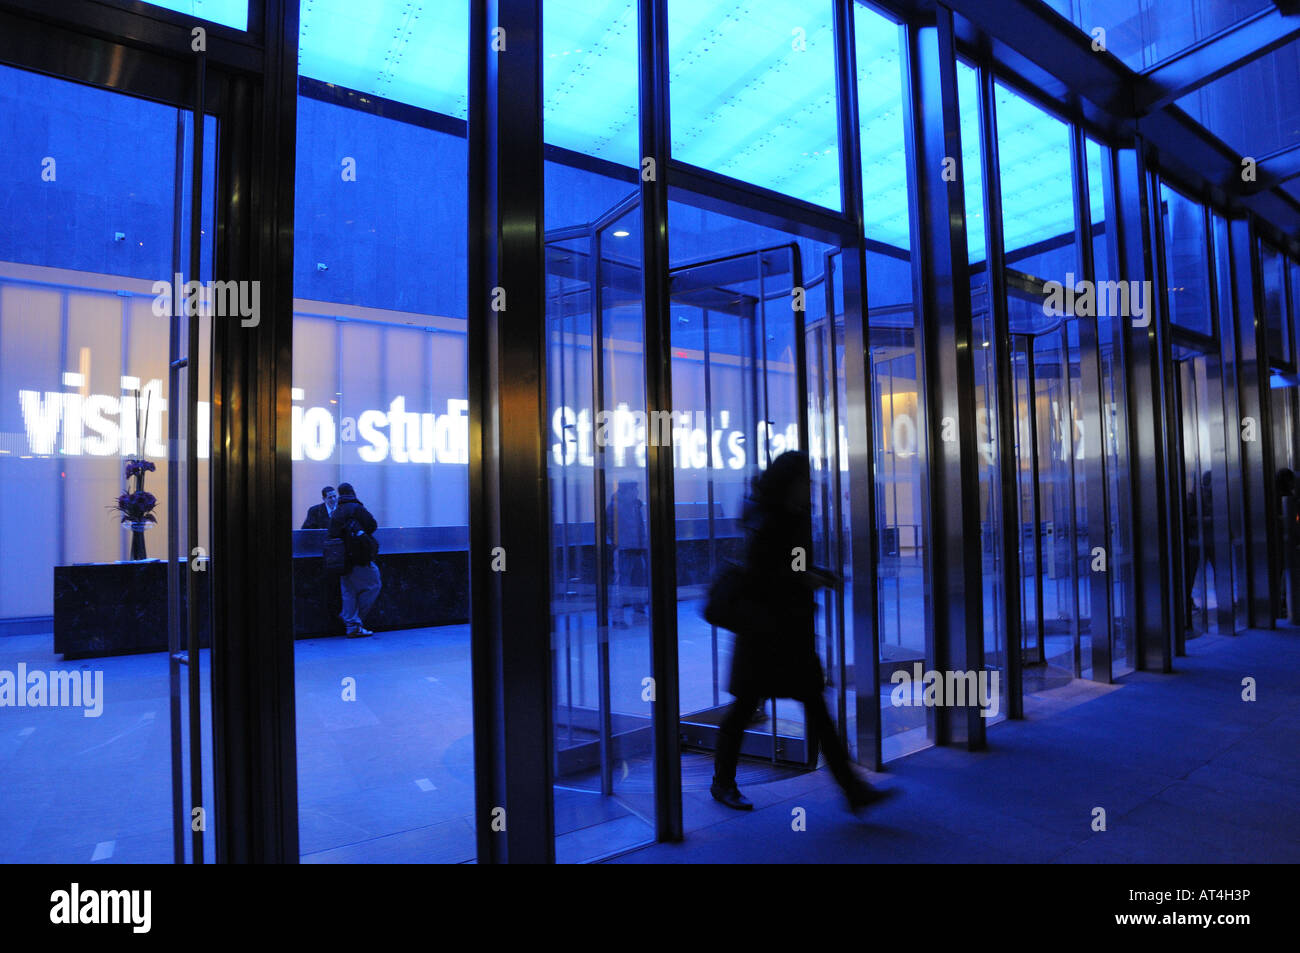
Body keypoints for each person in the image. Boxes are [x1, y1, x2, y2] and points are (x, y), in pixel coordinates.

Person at [710, 450, 895, 814]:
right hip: (766, 633)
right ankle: (723, 782)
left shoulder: (792, 516)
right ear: (788, 483)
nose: (809, 486)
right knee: (746, 707)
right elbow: (764, 574)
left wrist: (817, 575)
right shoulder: (768, 519)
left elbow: (795, 565)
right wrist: (808, 578)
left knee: (811, 707)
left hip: (788, 632)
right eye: (804, 480)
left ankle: (852, 789)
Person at [328, 483, 381, 638]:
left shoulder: (336, 512)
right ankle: (354, 619)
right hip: (359, 556)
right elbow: (372, 525)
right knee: (374, 584)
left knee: (349, 591)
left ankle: (351, 625)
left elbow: (332, 533)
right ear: (352, 492)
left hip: (341, 560)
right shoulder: (356, 508)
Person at [606, 480, 648, 628]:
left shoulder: (636, 506)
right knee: (622, 585)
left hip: (636, 549)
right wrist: (618, 544)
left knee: (637, 584)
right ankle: (618, 619)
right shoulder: (615, 508)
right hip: (624, 550)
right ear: (626, 491)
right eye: (634, 490)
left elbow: (640, 527)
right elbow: (610, 528)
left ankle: (639, 615)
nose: (637, 492)